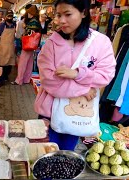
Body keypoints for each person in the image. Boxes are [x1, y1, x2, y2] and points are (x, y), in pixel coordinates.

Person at [34, 0, 116, 150]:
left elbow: (106, 74)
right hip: (49, 113)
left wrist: (77, 74)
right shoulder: (51, 43)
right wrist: (84, 90)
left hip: (78, 115)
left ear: (83, 13)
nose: (61, 21)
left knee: (66, 156)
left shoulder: (101, 43)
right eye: (58, 15)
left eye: (68, 14)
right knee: (44, 156)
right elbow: (49, 81)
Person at [12, 5, 41, 85]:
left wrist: (25, 29)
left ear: (30, 13)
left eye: (28, 13)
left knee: (23, 62)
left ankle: (19, 80)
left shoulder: (33, 21)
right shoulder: (36, 21)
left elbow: (29, 33)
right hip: (32, 45)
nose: (27, 14)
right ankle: (26, 79)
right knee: (29, 62)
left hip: (28, 44)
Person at [0, 10, 16, 87]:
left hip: (10, 47)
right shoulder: (2, 25)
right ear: (6, 17)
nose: (10, 17)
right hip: (3, 47)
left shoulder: (14, 24)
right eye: (8, 16)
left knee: (9, 65)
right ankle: (0, 80)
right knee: (2, 64)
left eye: (11, 16)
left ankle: (6, 76)